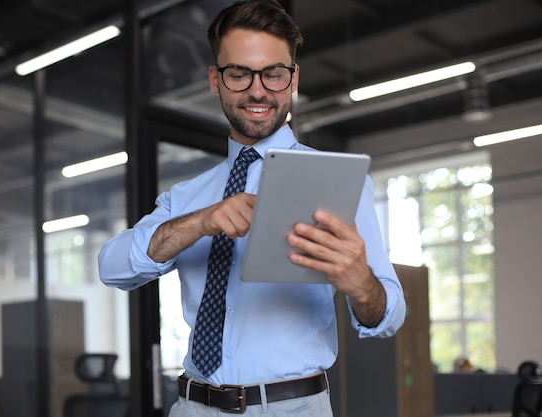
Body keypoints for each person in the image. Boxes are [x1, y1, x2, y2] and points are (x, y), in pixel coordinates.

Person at [98, 1, 406, 415]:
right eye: (239, 73)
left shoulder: (335, 182)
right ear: (215, 79)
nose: (257, 91)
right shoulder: (188, 197)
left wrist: (361, 282)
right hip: (193, 407)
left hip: (290, 408)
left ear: (293, 78)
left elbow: (386, 316)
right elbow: (113, 267)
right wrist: (201, 222)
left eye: (274, 74)